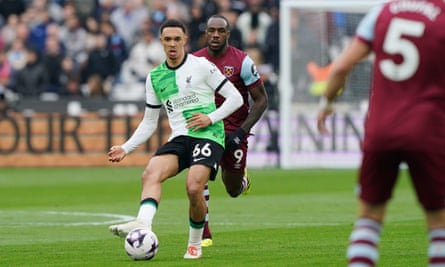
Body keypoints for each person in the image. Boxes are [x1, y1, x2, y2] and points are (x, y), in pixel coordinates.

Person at [316, 1, 445, 266]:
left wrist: (327, 102)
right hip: (428, 129)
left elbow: (340, 67)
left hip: (380, 128)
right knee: (438, 225)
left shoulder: (382, 12)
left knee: (369, 218)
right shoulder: (442, 13)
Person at [107, 19, 243, 260]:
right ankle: (143, 224)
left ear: (185, 40)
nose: (172, 44)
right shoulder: (155, 77)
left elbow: (235, 99)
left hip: (208, 135)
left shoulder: (201, 66)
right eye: (167, 39)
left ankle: (194, 244)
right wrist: (125, 147)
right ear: (161, 41)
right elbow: (149, 121)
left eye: (176, 39)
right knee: (150, 173)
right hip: (180, 137)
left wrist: (210, 118)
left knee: (193, 187)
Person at [193, 14, 268, 247]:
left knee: (232, 189)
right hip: (206, 129)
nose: (215, 35)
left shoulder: (242, 62)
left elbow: (261, 100)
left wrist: (242, 133)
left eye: (220, 31)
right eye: (211, 30)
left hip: (234, 131)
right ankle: (203, 231)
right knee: (198, 178)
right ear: (206, 33)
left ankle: (242, 181)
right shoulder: (194, 61)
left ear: (228, 34)